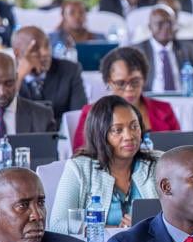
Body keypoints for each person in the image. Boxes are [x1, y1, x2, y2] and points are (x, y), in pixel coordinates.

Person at [50, 95, 159, 232]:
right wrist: (115, 230)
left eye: (134, 126)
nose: (129, 136)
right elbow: (57, 224)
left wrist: (147, 226)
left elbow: (179, 215)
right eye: (117, 130)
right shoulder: (79, 168)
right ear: (100, 134)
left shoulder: (158, 163)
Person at [71, 47, 180, 151]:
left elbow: (179, 149)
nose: (129, 89)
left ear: (144, 79)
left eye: (135, 81)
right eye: (120, 83)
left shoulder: (164, 109)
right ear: (109, 82)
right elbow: (81, 153)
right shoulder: (91, 112)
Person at [14, 25, 86, 120]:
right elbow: (5, 113)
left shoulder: (69, 70)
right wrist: (20, 76)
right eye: (35, 49)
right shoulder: (6, 75)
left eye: (47, 45)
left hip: (59, 129)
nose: (45, 53)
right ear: (17, 53)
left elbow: (79, 116)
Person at [133, 5, 193, 93]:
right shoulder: (138, 51)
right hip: (150, 98)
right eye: (160, 23)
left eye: (170, 23)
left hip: (182, 97)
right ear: (150, 27)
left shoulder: (187, 48)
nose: (166, 27)